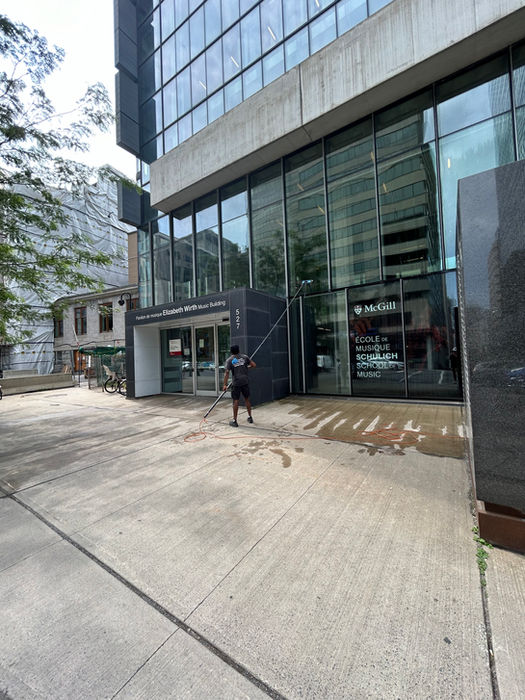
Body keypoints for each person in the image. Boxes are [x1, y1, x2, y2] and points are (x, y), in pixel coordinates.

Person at [223, 344, 256, 427]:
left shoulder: (230, 360)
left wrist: (225, 385)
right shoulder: (245, 357)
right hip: (245, 381)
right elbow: (253, 365)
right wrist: (247, 367)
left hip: (236, 383)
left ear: (231, 352)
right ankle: (250, 417)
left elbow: (227, 373)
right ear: (239, 350)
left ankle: (235, 421)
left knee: (236, 401)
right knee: (247, 399)